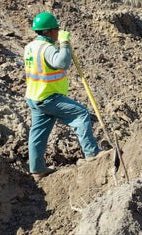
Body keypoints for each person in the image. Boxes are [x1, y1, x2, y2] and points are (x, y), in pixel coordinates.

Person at [24, 12, 103, 181]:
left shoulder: (30, 46)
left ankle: (37, 169)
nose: (59, 31)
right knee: (81, 113)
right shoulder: (47, 48)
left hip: (34, 96)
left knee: (38, 133)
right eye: (56, 29)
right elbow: (62, 63)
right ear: (49, 31)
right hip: (48, 97)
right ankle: (92, 154)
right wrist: (65, 44)